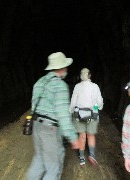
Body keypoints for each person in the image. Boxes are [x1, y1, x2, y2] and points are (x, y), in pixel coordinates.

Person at [26, 52, 79, 180]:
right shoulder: (60, 86)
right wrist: (73, 137)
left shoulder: (39, 82)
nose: (66, 69)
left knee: (39, 159)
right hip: (50, 130)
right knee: (53, 168)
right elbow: (63, 115)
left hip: (37, 126)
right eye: (65, 66)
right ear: (61, 68)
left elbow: (33, 106)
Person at [69, 68, 103, 166]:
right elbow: (99, 101)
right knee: (91, 135)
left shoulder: (77, 86)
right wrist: (98, 107)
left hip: (79, 114)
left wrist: (71, 110)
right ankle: (92, 155)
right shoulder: (95, 86)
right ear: (89, 75)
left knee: (82, 136)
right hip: (92, 114)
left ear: (80, 76)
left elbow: (73, 101)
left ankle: (82, 158)